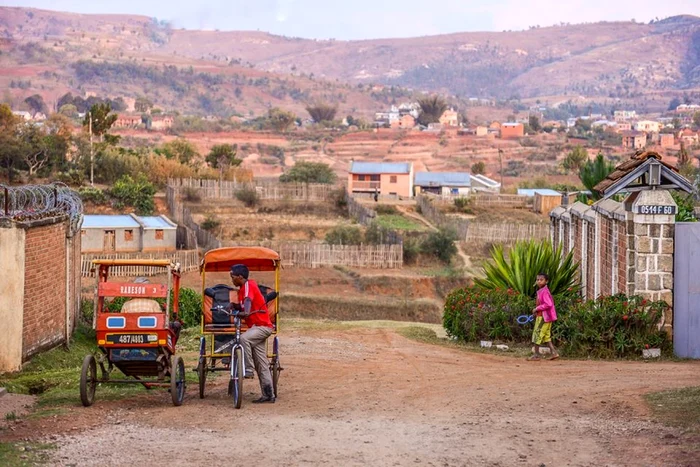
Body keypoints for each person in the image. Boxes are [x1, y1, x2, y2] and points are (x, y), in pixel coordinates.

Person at [229, 264, 276, 403]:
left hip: (262, 326)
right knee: (261, 363)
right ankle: (268, 395)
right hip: (256, 327)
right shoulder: (242, 290)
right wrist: (234, 306)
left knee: (243, 339)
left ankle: (248, 369)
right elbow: (244, 304)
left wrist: (247, 312)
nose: (231, 279)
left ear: (240, 277)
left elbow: (248, 301)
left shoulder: (249, 285)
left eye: (232, 276)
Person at [528, 273, 559, 361]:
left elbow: (548, 304)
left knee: (537, 335)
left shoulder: (544, 291)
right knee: (546, 336)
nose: (539, 281)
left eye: (541, 280)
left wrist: (537, 308)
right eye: (537, 280)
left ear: (546, 281)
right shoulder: (543, 291)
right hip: (546, 317)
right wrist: (536, 311)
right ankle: (554, 352)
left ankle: (536, 355)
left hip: (543, 317)